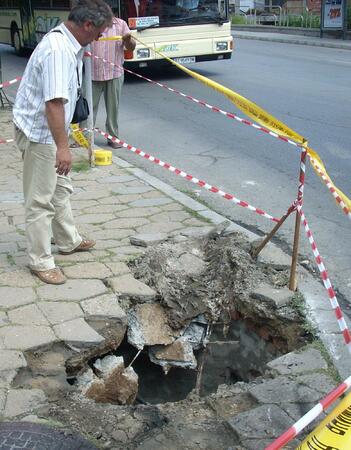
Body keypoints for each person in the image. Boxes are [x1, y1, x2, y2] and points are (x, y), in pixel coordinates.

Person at [13, 0, 113, 285]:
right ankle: (40, 260)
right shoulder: (58, 51)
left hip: (50, 132)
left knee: (60, 189)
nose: (102, 37)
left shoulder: (70, 46)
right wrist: (63, 147)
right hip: (41, 135)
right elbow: (54, 104)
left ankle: (68, 240)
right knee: (40, 199)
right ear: (87, 25)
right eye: (101, 31)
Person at [88, 9, 136, 149]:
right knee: (89, 107)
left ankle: (113, 137)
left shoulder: (121, 25)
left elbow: (131, 47)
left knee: (113, 108)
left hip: (114, 73)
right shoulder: (90, 25)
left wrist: (128, 40)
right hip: (92, 74)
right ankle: (84, 138)